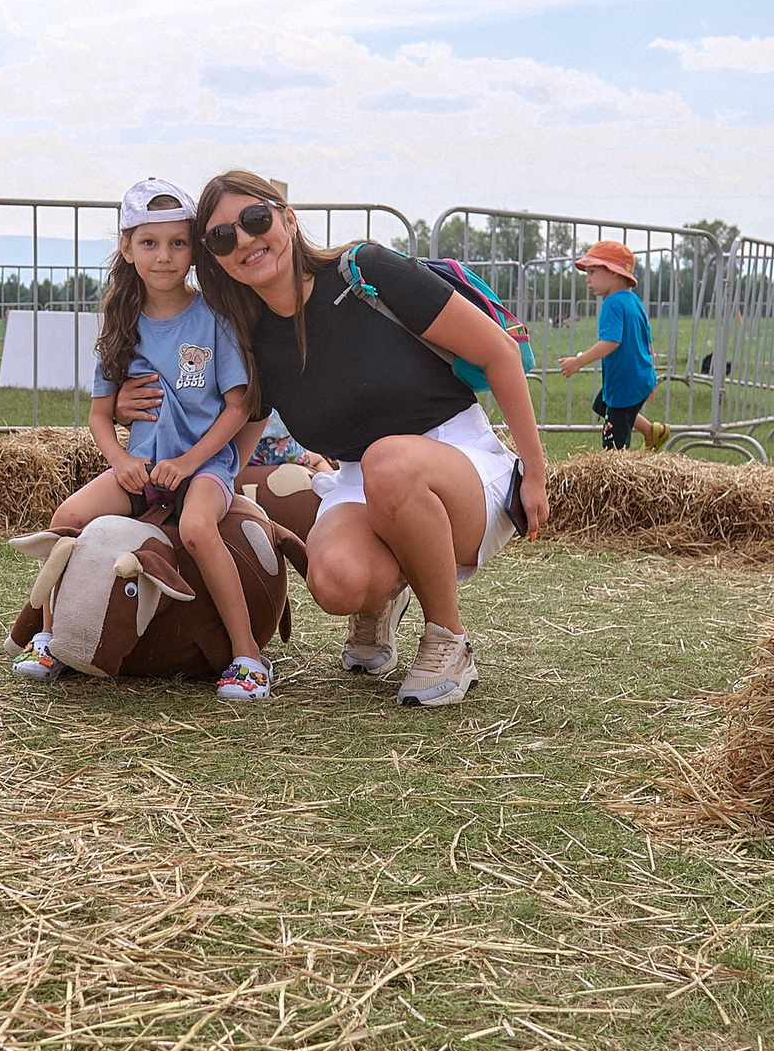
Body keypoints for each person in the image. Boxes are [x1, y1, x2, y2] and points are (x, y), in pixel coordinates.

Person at [189, 170, 547, 707]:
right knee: (334, 583)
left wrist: (536, 472)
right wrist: (206, 480)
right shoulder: (249, 333)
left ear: (287, 218)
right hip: (366, 476)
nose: (244, 240)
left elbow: (499, 352)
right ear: (214, 257)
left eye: (255, 219)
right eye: (221, 237)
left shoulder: (364, 272)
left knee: (389, 461)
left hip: (458, 459)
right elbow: (249, 416)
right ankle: (382, 597)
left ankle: (448, 638)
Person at [12, 180, 270, 704]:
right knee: (69, 518)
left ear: (193, 250)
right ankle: (51, 636)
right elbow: (100, 415)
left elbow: (239, 407)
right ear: (127, 249)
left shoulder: (215, 318)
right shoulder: (120, 321)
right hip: (142, 469)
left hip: (203, 468)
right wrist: (120, 461)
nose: (164, 256)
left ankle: (248, 657)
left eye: (178, 243)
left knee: (197, 529)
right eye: (149, 243)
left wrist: (192, 462)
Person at [556, 240, 668, 450]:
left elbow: (611, 342)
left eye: (592, 272)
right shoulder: (633, 301)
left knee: (614, 448)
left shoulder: (612, 304)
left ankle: (620, 475)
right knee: (602, 404)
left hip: (624, 385)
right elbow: (647, 340)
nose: (588, 280)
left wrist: (578, 361)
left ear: (614, 272)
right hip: (639, 379)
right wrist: (650, 375)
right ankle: (652, 431)